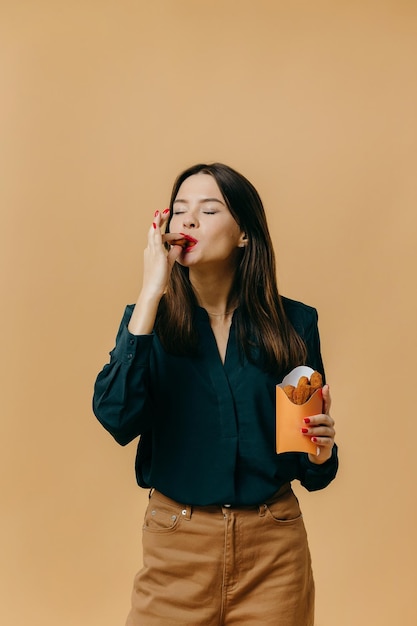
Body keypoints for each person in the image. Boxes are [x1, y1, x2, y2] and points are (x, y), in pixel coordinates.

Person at [93, 162, 338, 626]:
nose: (187, 221)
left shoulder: (295, 326)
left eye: (208, 210)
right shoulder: (147, 323)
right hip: (175, 547)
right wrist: (150, 293)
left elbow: (309, 465)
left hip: (274, 553)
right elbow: (115, 417)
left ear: (244, 234)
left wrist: (321, 453)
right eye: (179, 210)